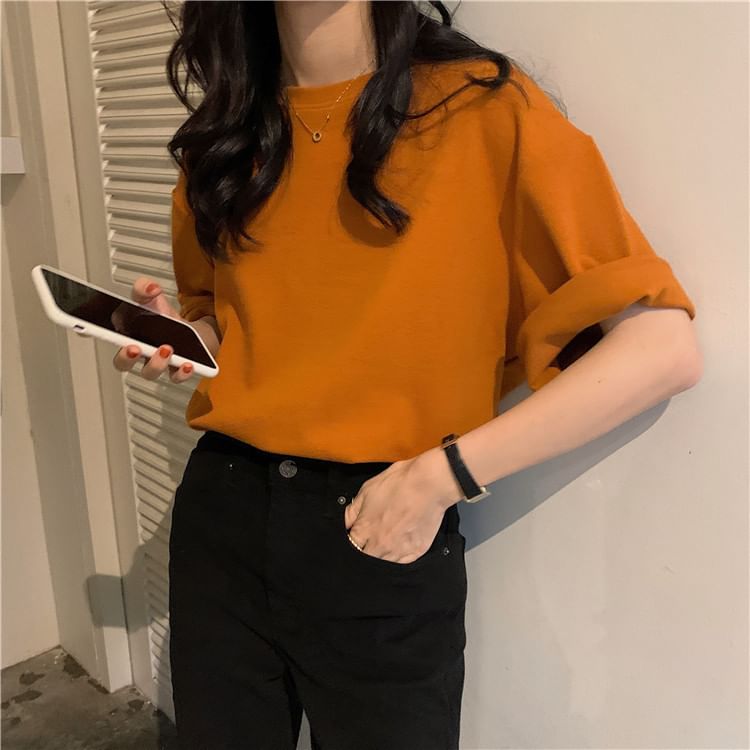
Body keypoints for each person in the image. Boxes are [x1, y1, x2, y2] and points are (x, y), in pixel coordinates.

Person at [107, 1, 702, 748]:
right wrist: (180, 338)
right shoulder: (226, 136)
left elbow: (661, 347)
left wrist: (441, 477)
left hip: (378, 524)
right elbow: (228, 326)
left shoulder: (481, 108)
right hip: (223, 512)